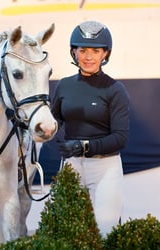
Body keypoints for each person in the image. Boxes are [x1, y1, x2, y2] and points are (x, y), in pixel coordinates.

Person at [51, 20, 130, 238]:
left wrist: (83, 146)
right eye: (82, 50)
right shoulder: (64, 85)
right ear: (74, 52)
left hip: (105, 166)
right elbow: (54, 121)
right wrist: (61, 144)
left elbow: (120, 137)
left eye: (95, 51)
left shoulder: (115, 89)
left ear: (105, 54)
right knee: (67, 232)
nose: (88, 57)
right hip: (71, 166)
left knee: (105, 231)